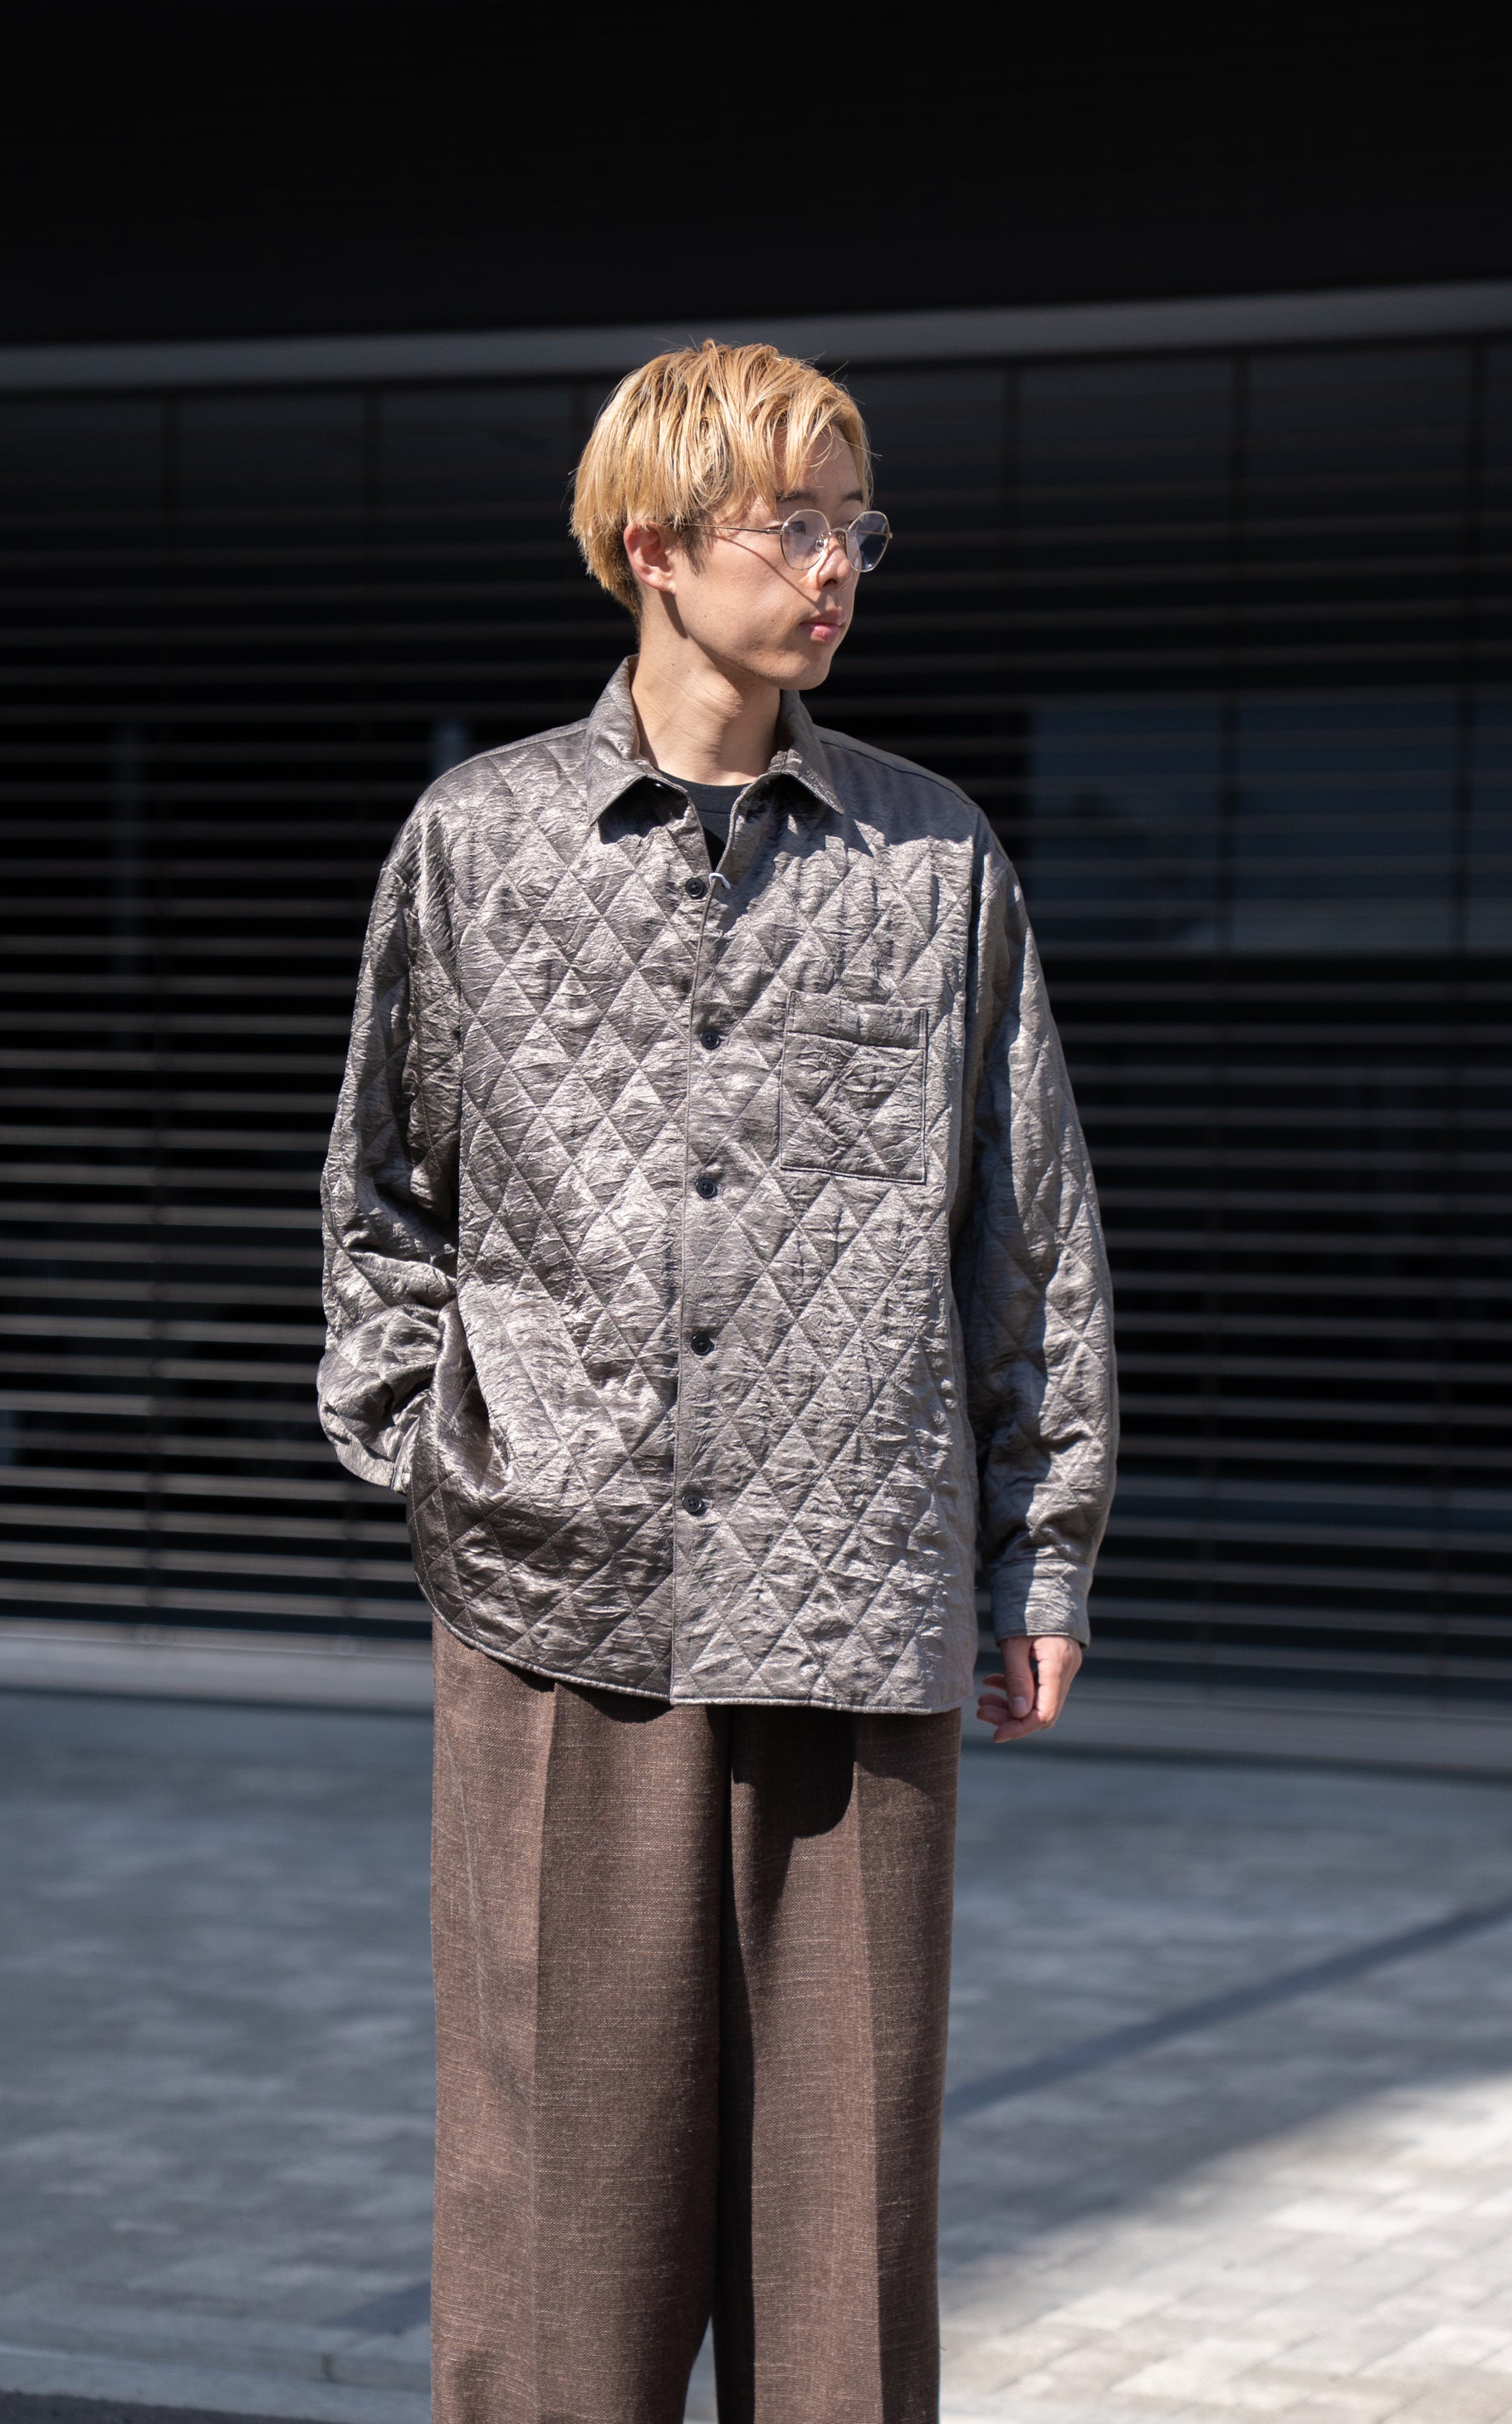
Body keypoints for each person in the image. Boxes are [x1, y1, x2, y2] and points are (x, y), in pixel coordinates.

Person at [319, 340, 1117, 2424]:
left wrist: (1037, 1549)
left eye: (858, 526)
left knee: (840, 2243)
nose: (837, 565)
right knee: (554, 2233)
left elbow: (1024, 1229)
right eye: (793, 524)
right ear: (654, 544)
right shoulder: (481, 841)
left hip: (856, 1605)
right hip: (556, 1601)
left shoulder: (931, 860)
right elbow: (384, 1197)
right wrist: (445, 1459)